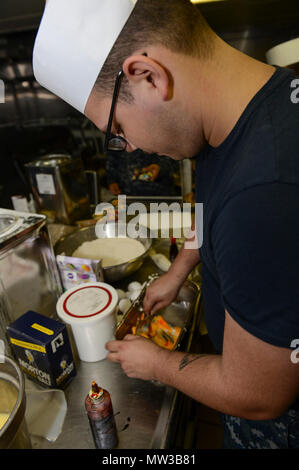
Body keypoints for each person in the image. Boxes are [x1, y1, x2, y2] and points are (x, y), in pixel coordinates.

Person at [33, 0, 299, 449]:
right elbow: (212, 204)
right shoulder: (245, 116)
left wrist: (156, 363)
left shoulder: (264, 192)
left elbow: (259, 395)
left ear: (149, 75)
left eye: (118, 127)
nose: (131, 147)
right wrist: (177, 272)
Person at [106, 148, 179, 196]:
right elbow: (112, 155)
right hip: (125, 193)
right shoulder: (117, 127)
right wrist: (112, 180)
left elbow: (177, 154)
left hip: (160, 194)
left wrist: (161, 167)